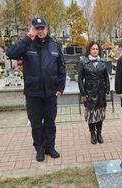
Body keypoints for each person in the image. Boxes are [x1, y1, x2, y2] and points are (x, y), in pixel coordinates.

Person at [6, 17, 66, 161]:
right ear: (32, 28)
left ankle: (50, 147)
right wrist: (28, 38)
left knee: (50, 122)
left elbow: (61, 69)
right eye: (36, 28)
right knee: (36, 123)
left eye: (42, 28)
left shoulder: (54, 46)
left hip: (50, 92)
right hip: (33, 92)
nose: (40, 30)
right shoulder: (27, 44)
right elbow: (11, 53)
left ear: (46, 28)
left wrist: (60, 88)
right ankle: (39, 148)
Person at [78, 41, 110, 144]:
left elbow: (106, 76)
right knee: (91, 114)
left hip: (101, 91)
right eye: (93, 49)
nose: (95, 51)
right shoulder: (84, 62)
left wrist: (108, 89)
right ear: (89, 50)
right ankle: (92, 134)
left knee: (100, 113)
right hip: (89, 92)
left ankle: (99, 134)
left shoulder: (102, 62)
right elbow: (80, 79)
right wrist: (83, 93)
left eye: (97, 49)